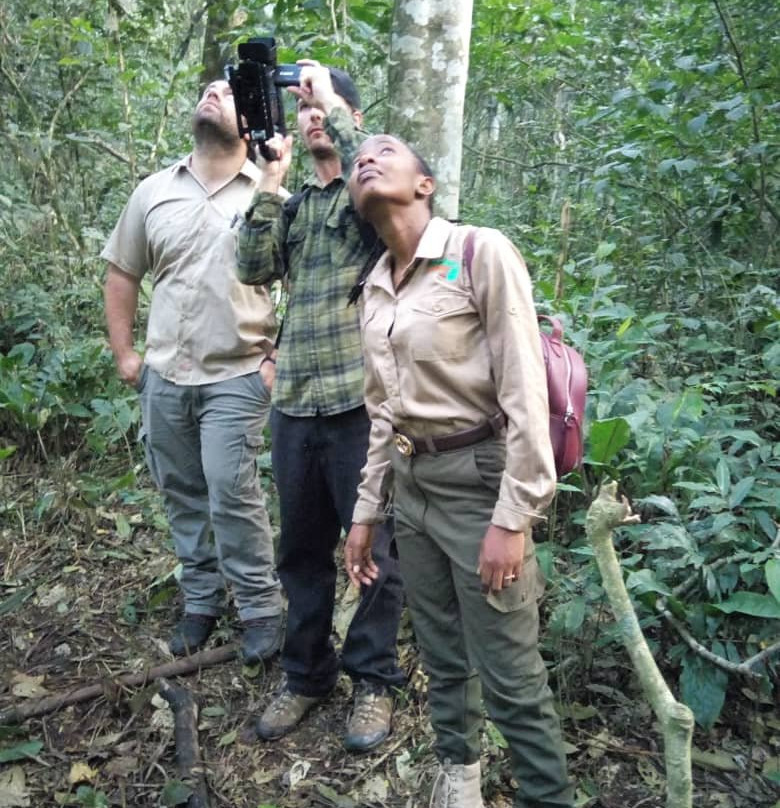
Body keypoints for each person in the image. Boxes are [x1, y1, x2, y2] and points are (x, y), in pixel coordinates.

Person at [344, 135, 574, 807]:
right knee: (443, 658)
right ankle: (460, 778)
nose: (367, 157)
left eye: (386, 149)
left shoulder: (479, 251)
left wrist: (513, 517)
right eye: (361, 156)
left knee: (510, 676)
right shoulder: (376, 286)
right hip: (413, 491)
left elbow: (525, 388)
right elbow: (382, 414)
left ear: (425, 184)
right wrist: (366, 512)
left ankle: (545, 796)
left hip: (481, 484)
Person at [235, 62, 405, 752]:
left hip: (358, 405)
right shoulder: (299, 203)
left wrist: (330, 102)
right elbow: (251, 267)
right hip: (297, 407)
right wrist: (270, 182)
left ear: (348, 121)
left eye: (321, 112)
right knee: (300, 552)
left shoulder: (369, 202)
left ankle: (373, 681)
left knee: (374, 554)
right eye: (302, 111)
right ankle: (307, 676)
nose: (308, 120)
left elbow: (382, 199)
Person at [102, 79, 284, 666]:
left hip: (237, 371)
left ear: (251, 119)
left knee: (231, 492)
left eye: (228, 94)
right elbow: (123, 272)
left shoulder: (268, 190)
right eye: (207, 89)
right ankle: (201, 601)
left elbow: (303, 285)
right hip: (164, 375)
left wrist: (277, 360)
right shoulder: (154, 190)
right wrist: (126, 354)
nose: (213, 94)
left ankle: (261, 609)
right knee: (180, 490)